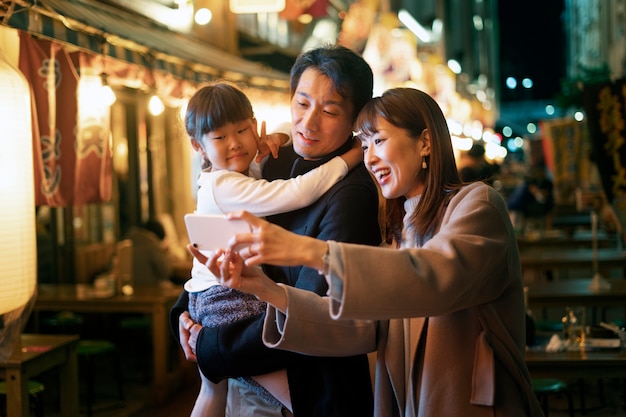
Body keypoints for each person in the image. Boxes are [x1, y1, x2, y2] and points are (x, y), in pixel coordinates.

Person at [196, 87, 544, 416]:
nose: (370, 157)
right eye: (363, 146)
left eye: (379, 140)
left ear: (425, 141)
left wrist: (307, 251)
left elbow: (434, 275)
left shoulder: (478, 205)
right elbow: (356, 326)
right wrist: (262, 288)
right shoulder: (398, 235)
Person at [171, 45, 381, 417]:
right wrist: (185, 316)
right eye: (302, 104)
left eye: (330, 110)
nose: (308, 123)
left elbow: (312, 312)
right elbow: (214, 241)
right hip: (239, 362)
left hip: (305, 385)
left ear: (354, 120)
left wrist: (212, 346)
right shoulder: (271, 159)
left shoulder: (351, 195)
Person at [124, 218, 174, 287]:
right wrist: (164, 254)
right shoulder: (152, 245)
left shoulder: (125, 241)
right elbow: (166, 272)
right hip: (150, 290)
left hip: (128, 289)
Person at [507, 161, 555, 232]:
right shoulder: (525, 189)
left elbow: (548, 210)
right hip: (517, 215)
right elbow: (515, 207)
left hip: (526, 217)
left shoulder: (545, 186)